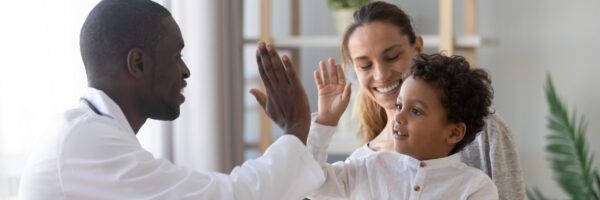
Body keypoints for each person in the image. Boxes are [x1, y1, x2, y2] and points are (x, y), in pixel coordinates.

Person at [19, 0, 324, 199]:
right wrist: (296, 126)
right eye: (176, 55)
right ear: (138, 63)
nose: (186, 70)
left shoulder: (89, 133)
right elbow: (230, 196)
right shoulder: (85, 142)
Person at [308, 1, 524, 199]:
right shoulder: (364, 164)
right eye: (365, 65)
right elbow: (309, 182)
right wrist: (325, 121)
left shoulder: (484, 133)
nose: (381, 75)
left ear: (417, 48)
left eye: (392, 57)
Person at [308, 53, 499, 199]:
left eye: (416, 111)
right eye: (399, 106)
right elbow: (310, 182)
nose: (397, 117)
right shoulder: (369, 167)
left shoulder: (474, 187)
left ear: (454, 132)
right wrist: (326, 120)